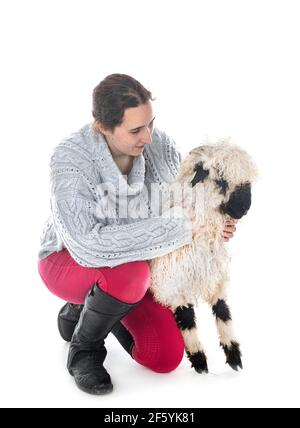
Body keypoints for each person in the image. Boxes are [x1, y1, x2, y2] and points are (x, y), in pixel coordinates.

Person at [37, 74, 237, 395]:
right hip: (67, 260)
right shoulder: (69, 159)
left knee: (165, 357)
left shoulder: (161, 146)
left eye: (150, 124)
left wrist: (209, 225)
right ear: (103, 126)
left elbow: (178, 208)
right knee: (130, 274)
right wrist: (183, 227)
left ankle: (88, 308)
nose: (148, 137)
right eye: (135, 130)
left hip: (136, 267)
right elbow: (88, 245)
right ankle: (84, 349)